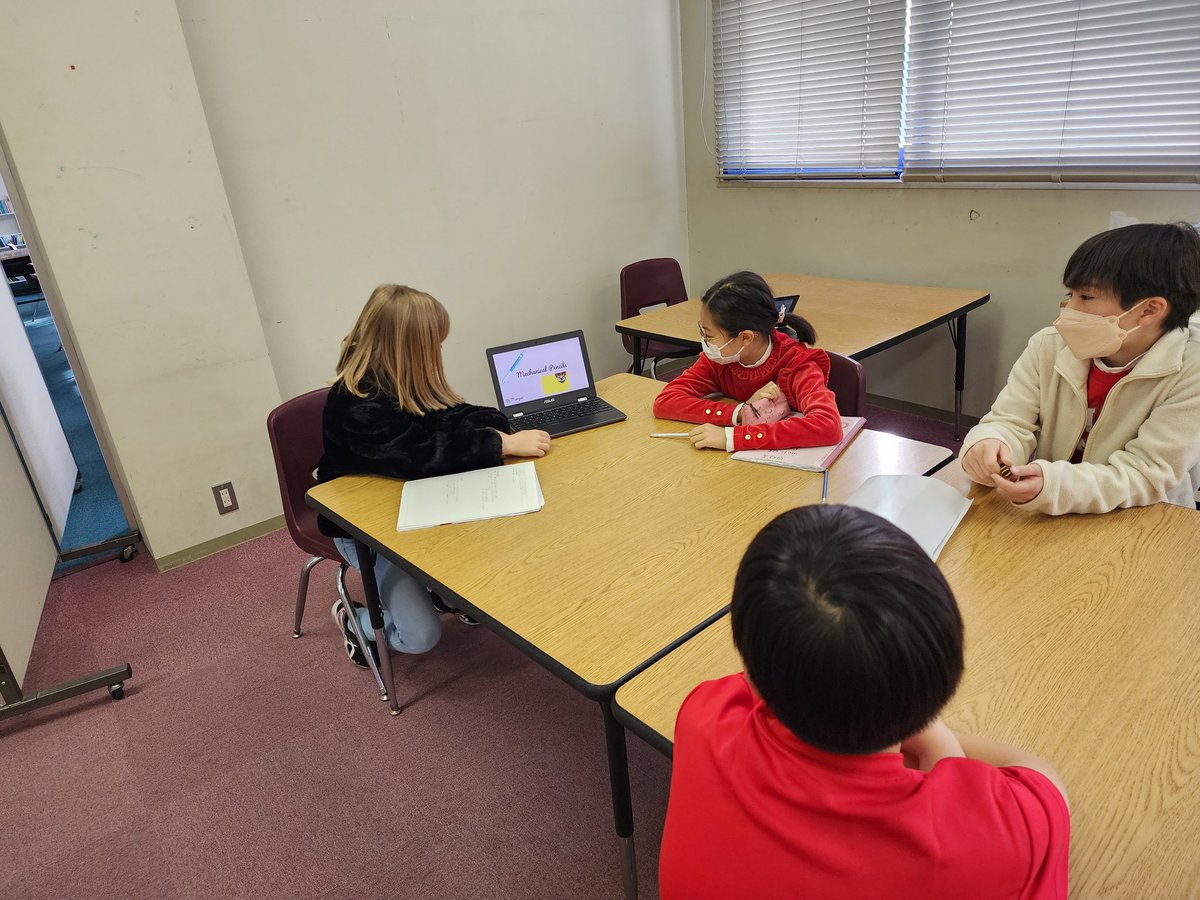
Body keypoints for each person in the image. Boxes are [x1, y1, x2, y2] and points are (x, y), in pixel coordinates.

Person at [659, 504, 1070, 900]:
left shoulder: (702, 716)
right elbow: (1044, 781)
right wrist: (937, 744)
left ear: (750, 674)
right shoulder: (993, 842)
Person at [316, 284, 550, 667]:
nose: (440, 352)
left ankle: (439, 590)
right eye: (435, 345)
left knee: (497, 557)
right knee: (420, 636)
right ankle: (356, 620)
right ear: (409, 348)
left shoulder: (404, 379)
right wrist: (498, 445)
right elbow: (417, 455)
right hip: (364, 531)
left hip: (416, 508)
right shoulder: (355, 401)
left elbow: (448, 415)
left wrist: (493, 425)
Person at [961, 222, 1200, 514]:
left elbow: (1147, 473)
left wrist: (1055, 485)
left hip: (1143, 517)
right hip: (1053, 510)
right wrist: (990, 443)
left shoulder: (1191, 371)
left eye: (1085, 297)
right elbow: (1009, 419)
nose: (1069, 309)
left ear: (1149, 310)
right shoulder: (1048, 346)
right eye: (1070, 294)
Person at [652, 271, 842, 451]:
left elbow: (828, 426)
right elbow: (666, 401)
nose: (705, 341)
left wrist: (733, 437)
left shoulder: (797, 364)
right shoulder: (721, 359)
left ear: (745, 338)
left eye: (708, 335)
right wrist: (740, 412)